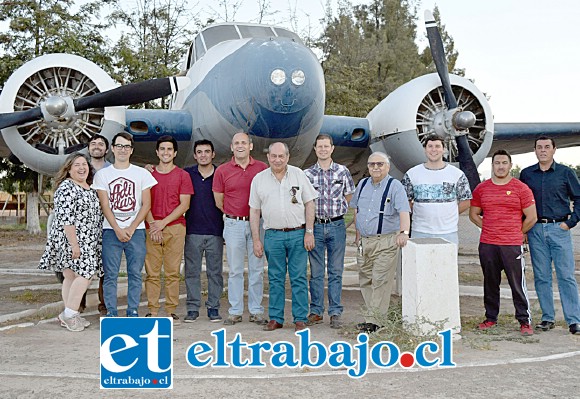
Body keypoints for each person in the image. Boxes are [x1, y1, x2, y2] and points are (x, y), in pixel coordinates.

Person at [249, 142, 317, 332]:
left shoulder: (298, 175)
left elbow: (310, 204)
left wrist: (309, 232)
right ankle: (276, 318)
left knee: (299, 278)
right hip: (273, 235)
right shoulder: (259, 179)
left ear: (287, 157)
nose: (277, 160)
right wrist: (256, 239)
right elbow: (254, 211)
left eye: (281, 156)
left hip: (297, 234)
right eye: (274, 156)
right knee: (275, 278)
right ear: (268, 157)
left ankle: (300, 319)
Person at [469, 149, 537, 336]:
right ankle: (491, 318)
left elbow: (532, 217)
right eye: (497, 163)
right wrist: (488, 227)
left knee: (517, 284)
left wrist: (517, 232)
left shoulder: (520, 188)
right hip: (488, 244)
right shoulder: (482, 188)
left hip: (511, 244)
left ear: (510, 165)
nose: (500, 166)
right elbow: (473, 214)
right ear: (492, 166)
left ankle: (524, 321)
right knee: (490, 282)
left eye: (504, 163)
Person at [519, 136, 580, 335]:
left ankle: (574, 320)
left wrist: (570, 223)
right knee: (542, 276)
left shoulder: (565, 173)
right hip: (536, 230)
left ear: (554, 150)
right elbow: (521, 204)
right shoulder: (527, 175)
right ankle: (547, 318)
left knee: (566, 276)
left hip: (559, 229)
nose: (543, 150)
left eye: (547, 147)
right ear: (535, 150)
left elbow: (579, 198)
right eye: (539, 147)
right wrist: (524, 229)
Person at [93, 132, 157, 317]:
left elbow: (146, 205)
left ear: (131, 150)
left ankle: (133, 311)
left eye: (126, 146)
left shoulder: (142, 173)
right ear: (112, 149)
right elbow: (105, 205)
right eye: (119, 146)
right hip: (110, 231)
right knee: (110, 275)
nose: (122, 150)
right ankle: (112, 312)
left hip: (135, 232)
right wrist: (117, 229)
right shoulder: (103, 175)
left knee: (135, 274)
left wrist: (130, 227)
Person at [39, 153, 103, 332]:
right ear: (68, 170)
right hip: (72, 239)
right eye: (77, 165)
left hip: (87, 240)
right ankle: (70, 313)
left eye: (85, 164)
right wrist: (74, 244)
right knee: (86, 275)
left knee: (71, 276)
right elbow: (66, 219)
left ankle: (70, 315)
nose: (82, 168)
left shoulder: (89, 188)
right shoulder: (67, 187)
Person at [349, 152, 410, 334]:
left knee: (380, 280)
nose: (375, 168)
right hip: (365, 241)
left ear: (387, 166)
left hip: (386, 241)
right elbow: (357, 211)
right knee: (366, 279)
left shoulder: (395, 186)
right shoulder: (363, 184)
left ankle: (375, 321)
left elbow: (404, 211)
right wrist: (358, 235)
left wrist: (404, 233)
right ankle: (374, 316)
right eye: (372, 164)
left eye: (380, 164)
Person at [213, 132, 268, 326]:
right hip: (233, 223)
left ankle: (256, 310)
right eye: (236, 143)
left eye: (243, 142)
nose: (240, 146)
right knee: (235, 270)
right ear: (231, 147)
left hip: (258, 224)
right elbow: (219, 200)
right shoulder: (222, 170)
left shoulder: (262, 168)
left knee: (257, 269)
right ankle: (235, 311)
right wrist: (234, 215)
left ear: (251, 146)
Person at [304, 134, 355, 329]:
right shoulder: (307, 174)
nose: (323, 149)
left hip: (336, 225)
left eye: (326, 146)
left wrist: (337, 213)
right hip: (315, 226)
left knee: (335, 271)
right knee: (316, 272)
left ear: (332, 148)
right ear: (315, 149)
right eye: (320, 147)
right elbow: (305, 202)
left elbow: (349, 196)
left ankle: (335, 312)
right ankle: (316, 311)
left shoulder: (342, 172)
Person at [143, 136, 193, 324]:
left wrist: (163, 223)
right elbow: (144, 202)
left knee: (172, 272)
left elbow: (184, 204)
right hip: (151, 228)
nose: (166, 152)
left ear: (175, 153)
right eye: (162, 149)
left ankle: (171, 309)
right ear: (157, 152)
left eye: (169, 149)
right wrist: (154, 224)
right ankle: (153, 309)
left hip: (175, 227)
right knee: (152, 273)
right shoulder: (148, 175)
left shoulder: (182, 175)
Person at [401, 134, 471, 246]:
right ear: (425, 149)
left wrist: (450, 213)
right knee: (420, 264)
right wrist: (420, 211)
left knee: (447, 264)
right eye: (430, 146)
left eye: (437, 146)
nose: (434, 150)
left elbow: (466, 201)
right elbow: (405, 202)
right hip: (420, 231)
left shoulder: (457, 174)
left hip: (448, 232)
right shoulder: (412, 174)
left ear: (444, 150)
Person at [183, 140, 225, 323]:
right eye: (199, 152)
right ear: (195, 155)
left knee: (215, 272)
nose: (203, 155)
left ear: (213, 154)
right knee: (192, 272)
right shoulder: (187, 174)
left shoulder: (220, 174)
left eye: (207, 151)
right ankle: (192, 308)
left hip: (215, 231)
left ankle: (213, 308)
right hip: (192, 231)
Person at [88, 134, 111, 315]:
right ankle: (77, 304)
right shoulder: (81, 168)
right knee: (81, 265)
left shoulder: (113, 170)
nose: (97, 146)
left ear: (107, 149)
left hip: (107, 223)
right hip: (85, 226)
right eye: (93, 144)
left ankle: (104, 303)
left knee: (106, 265)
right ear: (88, 149)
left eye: (101, 144)